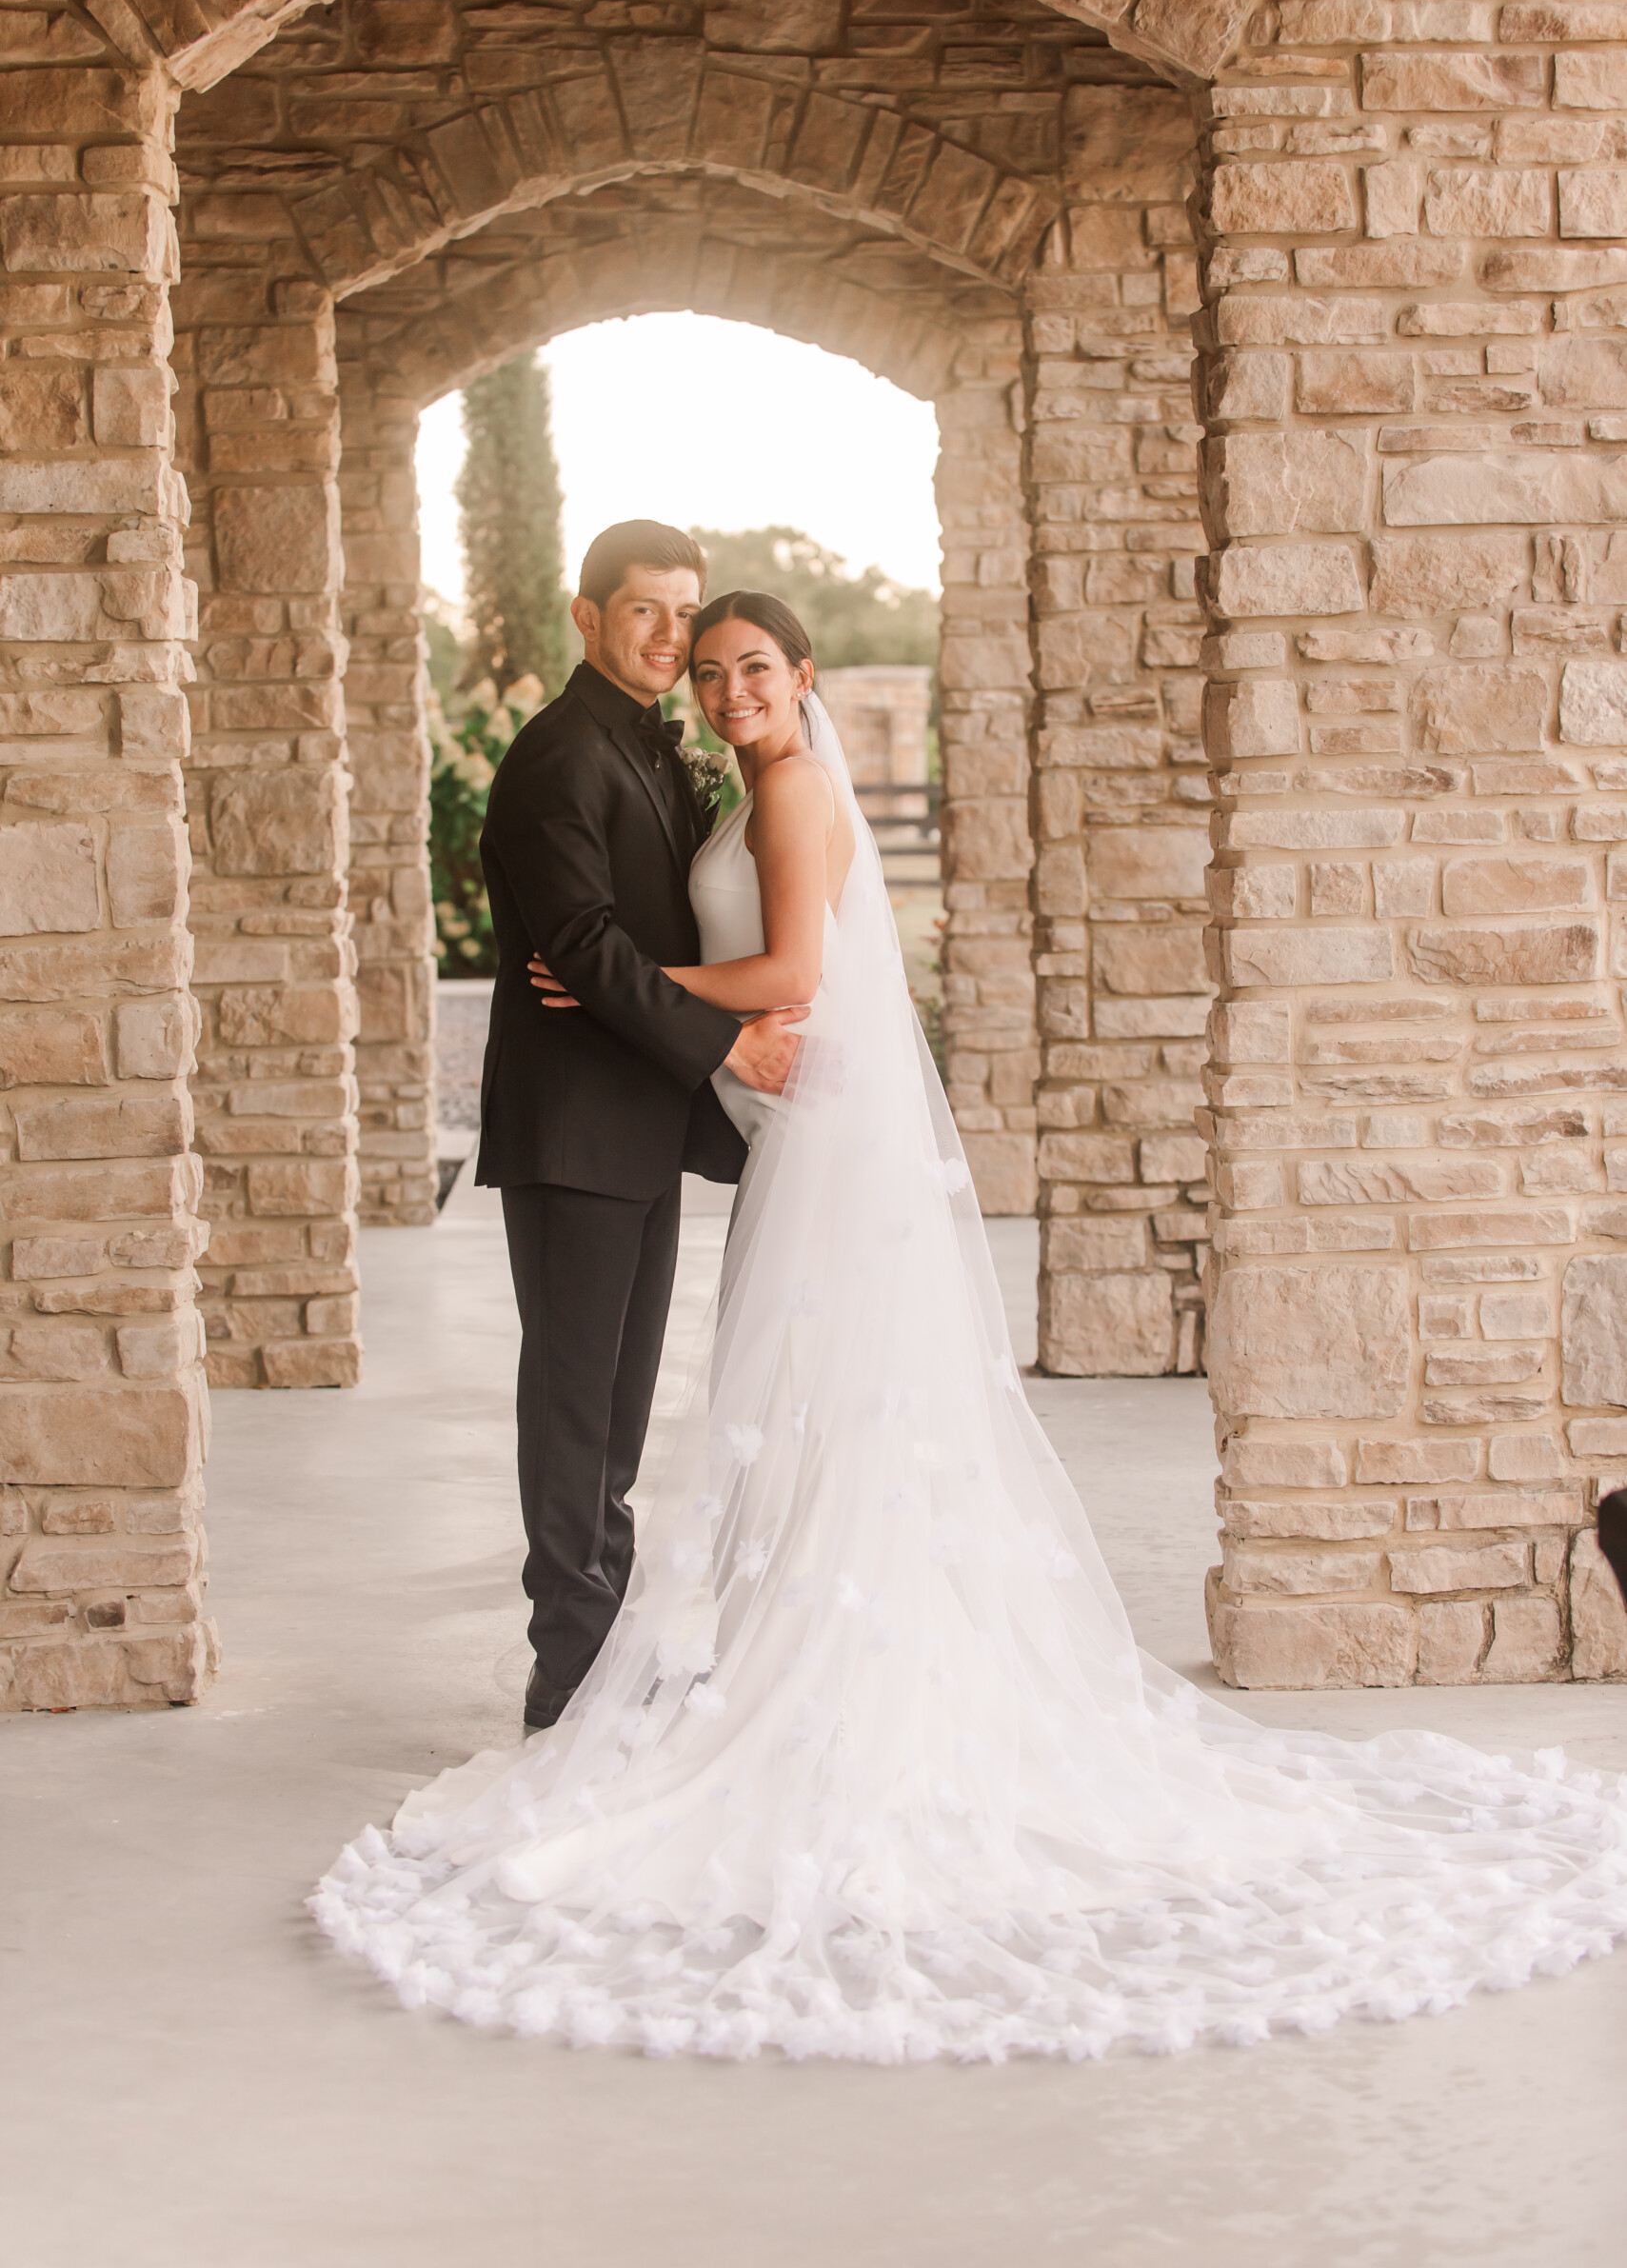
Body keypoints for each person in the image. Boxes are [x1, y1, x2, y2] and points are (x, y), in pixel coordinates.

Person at [316, 594, 1627, 2064]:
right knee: (791, 1410)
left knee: (816, 1398)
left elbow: (797, 982)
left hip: (819, 1155)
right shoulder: (729, 784)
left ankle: (829, 1678)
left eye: (752, 664)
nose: (728, 683)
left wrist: (627, 988)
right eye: (707, 667)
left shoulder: (797, 788)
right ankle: (773, 1655)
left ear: (802, 678)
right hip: (797, 1152)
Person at [470, 527, 806, 1735]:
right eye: (644, 612)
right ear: (585, 614)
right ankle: (567, 1668)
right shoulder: (558, 757)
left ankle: (604, 1646)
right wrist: (728, 1042)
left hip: (635, 1127)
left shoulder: (650, 745)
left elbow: (631, 947)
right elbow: (588, 950)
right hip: (571, 1133)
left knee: (614, 1404)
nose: (670, 636)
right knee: (573, 1397)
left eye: (683, 612)